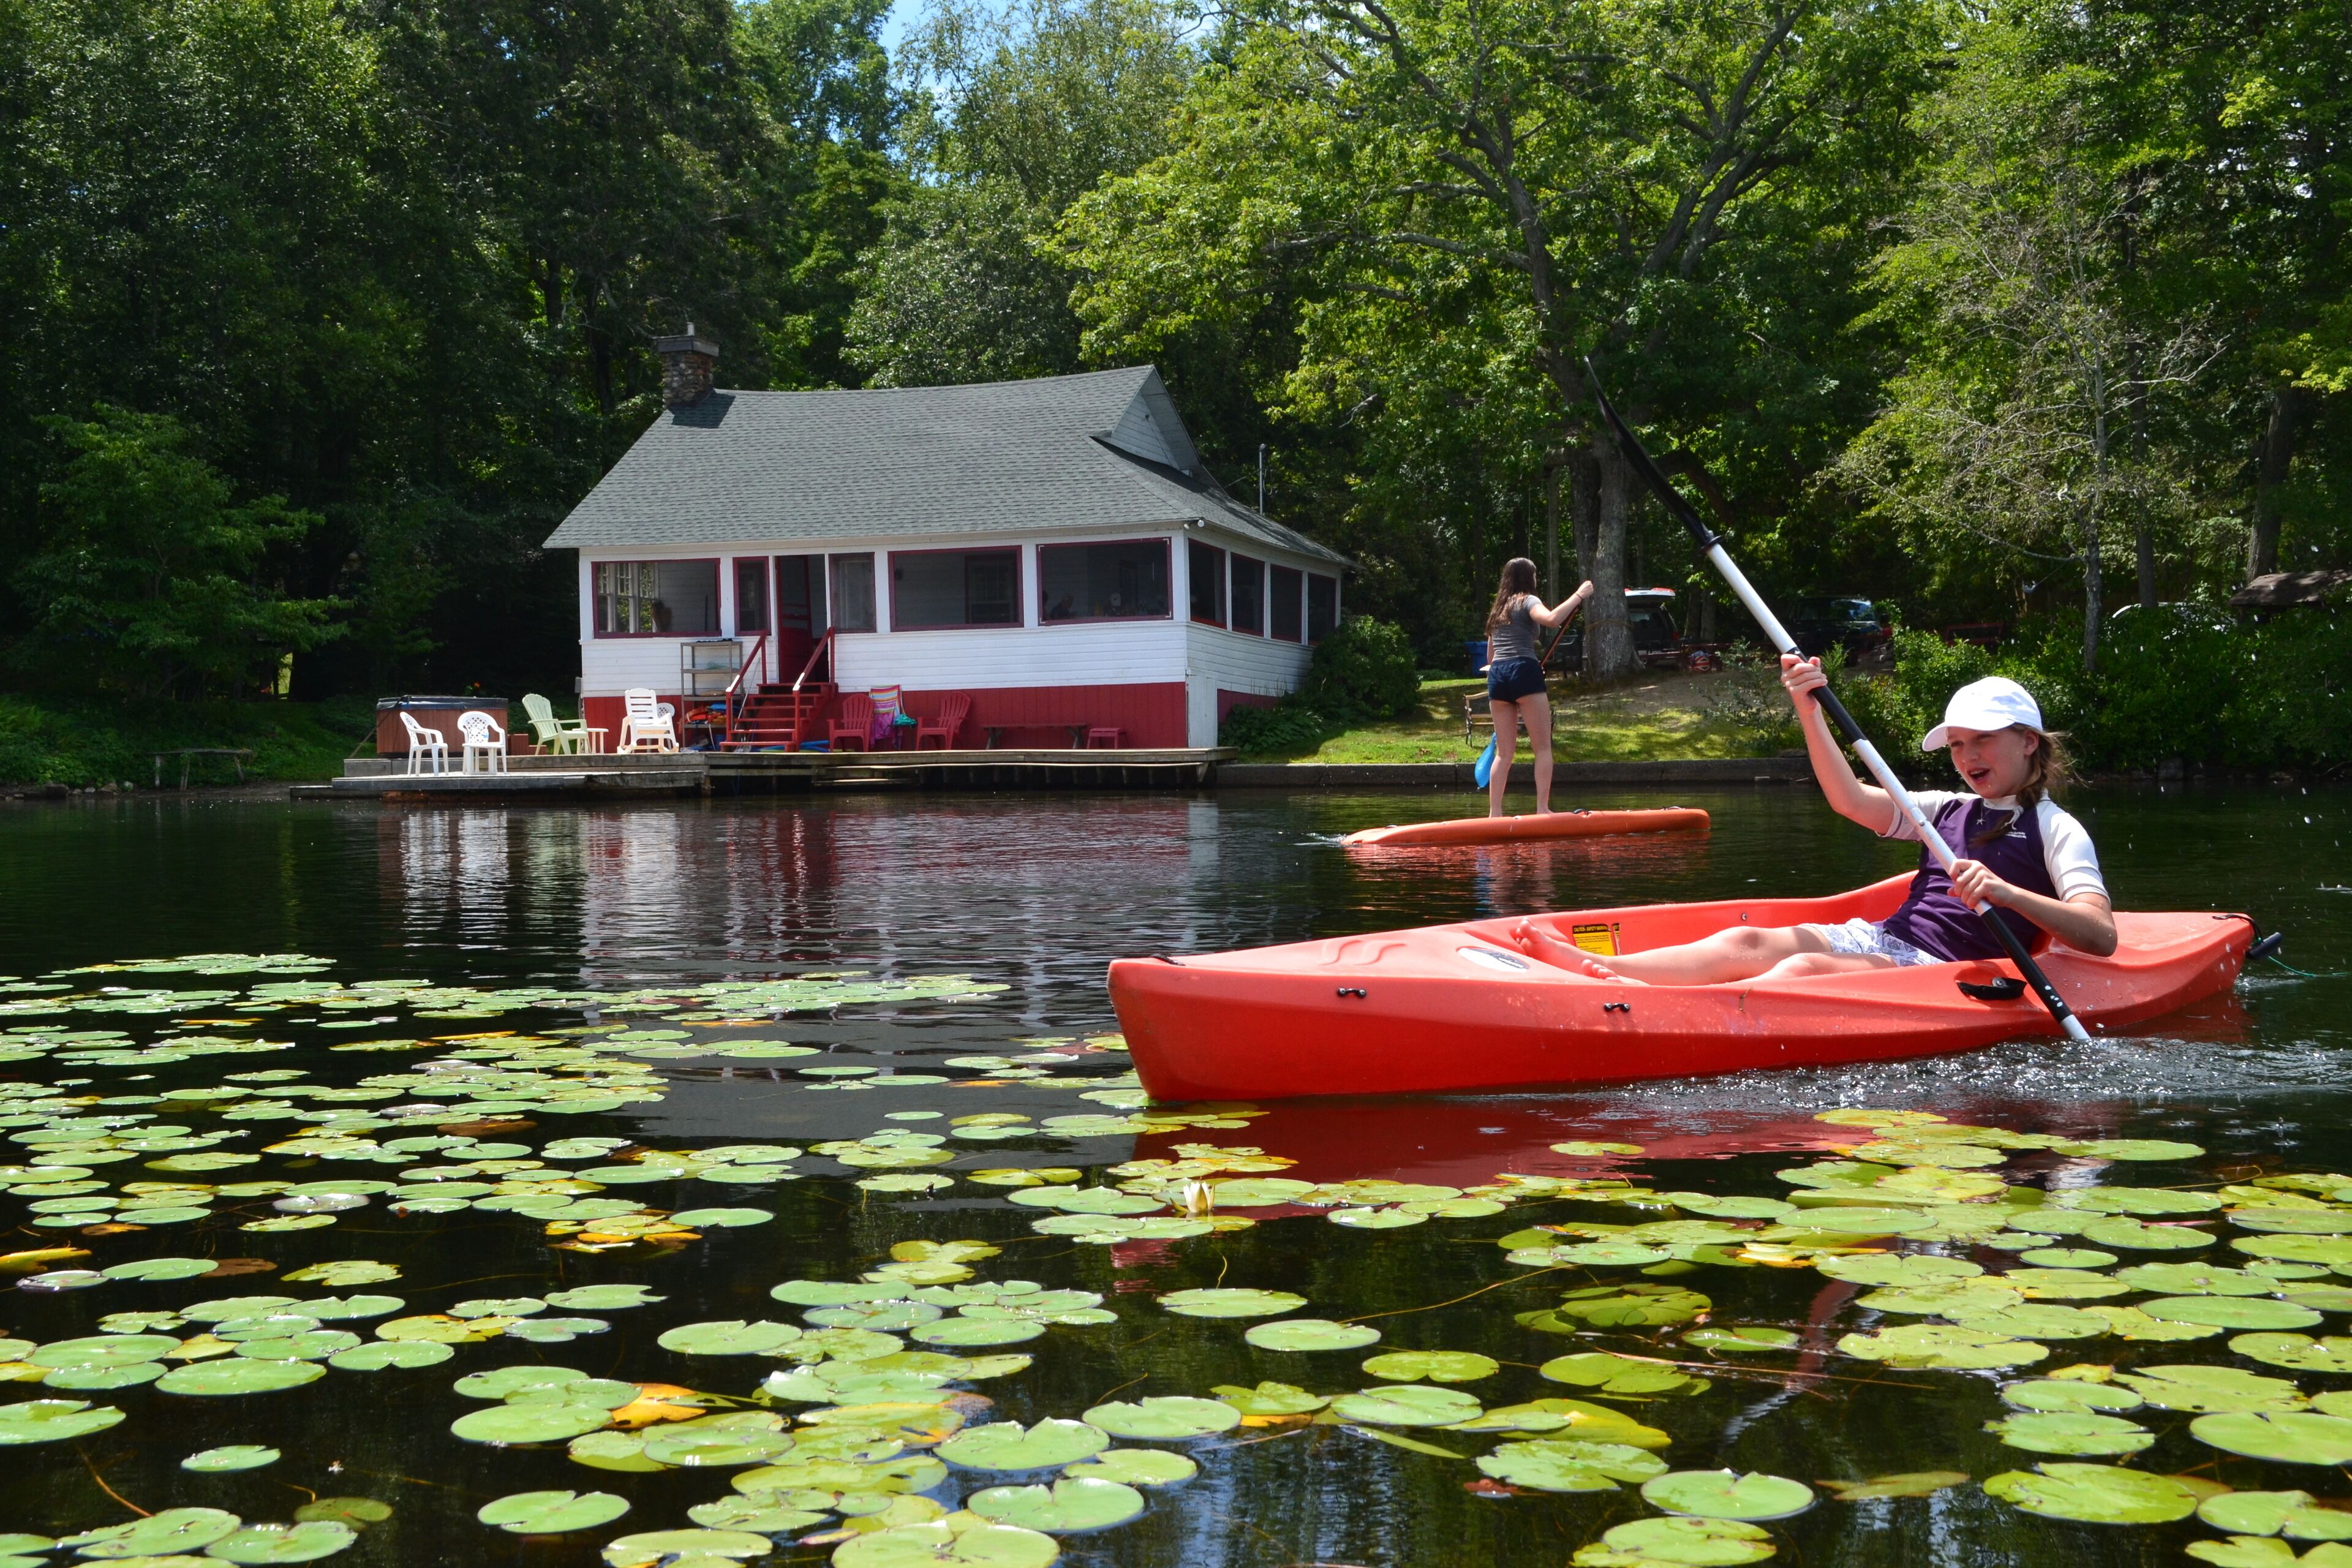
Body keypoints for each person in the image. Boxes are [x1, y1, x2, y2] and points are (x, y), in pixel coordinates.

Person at [1511, 667, 2116, 981]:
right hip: (1885, 941)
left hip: (1943, 968)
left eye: (1982, 740)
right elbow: (1851, 799)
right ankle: (1611, 978)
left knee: (1801, 970)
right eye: (1957, 745)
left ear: (2030, 743)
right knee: (1748, 941)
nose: (1967, 757)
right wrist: (1809, 712)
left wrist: (2007, 893)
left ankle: (1651, 1008)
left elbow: (2099, 933)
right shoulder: (1945, 809)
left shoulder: (2056, 829)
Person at [1483, 558, 1593, 818]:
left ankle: (1494, 814)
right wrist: (1579, 595)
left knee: (1505, 753)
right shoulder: (1528, 600)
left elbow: (1490, 658)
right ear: (1527, 578)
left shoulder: (1498, 610)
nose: (1536, 580)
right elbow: (1553, 619)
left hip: (1497, 676)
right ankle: (1543, 809)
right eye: (1534, 575)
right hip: (1524, 671)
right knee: (1543, 748)